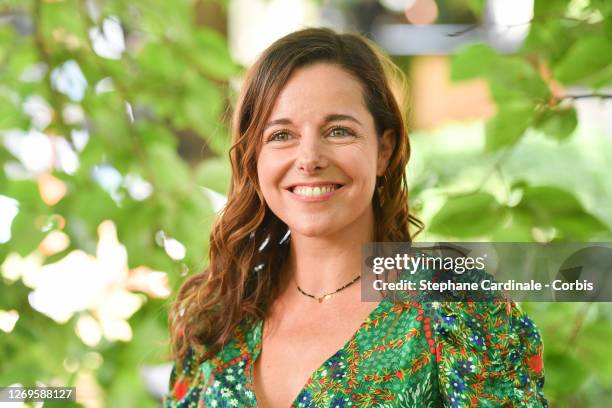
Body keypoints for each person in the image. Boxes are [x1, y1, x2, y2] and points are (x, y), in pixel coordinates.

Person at [163, 27, 547, 407]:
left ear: (383, 150)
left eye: (338, 131)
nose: (310, 159)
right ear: (254, 157)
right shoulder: (218, 317)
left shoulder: (455, 307)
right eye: (281, 135)